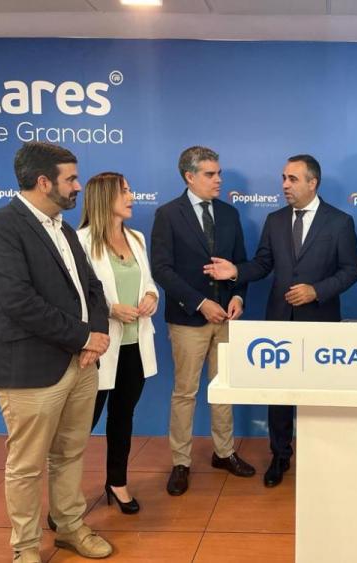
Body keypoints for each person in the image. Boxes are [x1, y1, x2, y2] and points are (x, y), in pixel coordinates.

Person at [0, 142, 113, 562]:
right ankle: (26, 548)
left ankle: (69, 526)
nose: (77, 187)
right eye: (71, 179)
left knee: (70, 453)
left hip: (81, 362)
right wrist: (83, 338)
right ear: (43, 182)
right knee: (27, 465)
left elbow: (92, 290)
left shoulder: (64, 227)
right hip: (30, 368)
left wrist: (98, 335)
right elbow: (18, 301)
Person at [204, 154, 357, 488]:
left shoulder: (339, 222)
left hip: (320, 323)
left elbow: (351, 270)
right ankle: (281, 455)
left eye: (292, 179)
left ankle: (320, 455)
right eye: (283, 178)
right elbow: (262, 264)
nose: (285, 185)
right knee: (279, 395)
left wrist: (316, 291)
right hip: (280, 323)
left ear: (312, 183)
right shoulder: (275, 220)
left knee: (318, 394)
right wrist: (236, 271)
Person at [151, 146, 255, 496]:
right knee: (185, 392)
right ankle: (181, 462)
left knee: (222, 389)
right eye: (210, 174)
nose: (218, 179)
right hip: (187, 319)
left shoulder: (229, 214)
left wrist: (238, 296)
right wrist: (199, 303)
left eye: (219, 173)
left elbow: (240, 263)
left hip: (227, 317)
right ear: (189, 176)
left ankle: (224, 453)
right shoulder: (168, 214)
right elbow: (161, 269)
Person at [77, 172, 159, 514]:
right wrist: (110, 309)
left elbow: (148, 281)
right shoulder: (79, 241)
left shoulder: (137, 237)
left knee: (123, 416)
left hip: (134, 346)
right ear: (104, 198)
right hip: (98, 349)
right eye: (125, 191)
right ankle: (66, 501)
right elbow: (75, 296)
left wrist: (152, 295)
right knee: (80, 427)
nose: (131, 196)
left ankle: (117, 483)